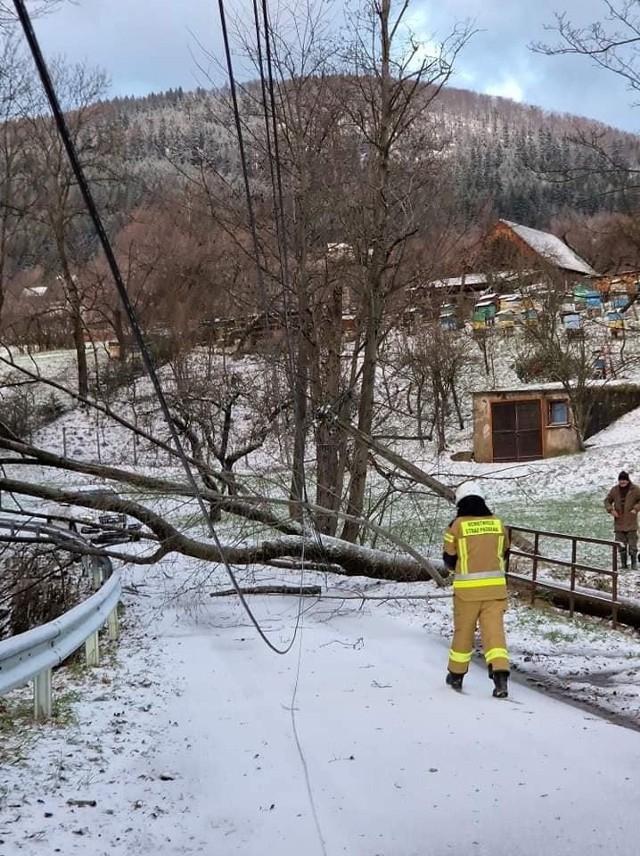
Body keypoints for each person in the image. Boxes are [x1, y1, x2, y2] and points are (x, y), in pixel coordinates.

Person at [442, 480, 511, 698]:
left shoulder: (457, 525)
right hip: (496, 592)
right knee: (495, 635)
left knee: (464, 633)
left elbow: (449, 558)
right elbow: (505, 553)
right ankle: (500, 679)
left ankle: (456, 675)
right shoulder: (497, 524)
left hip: (467, 593)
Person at [604, 471, 640, 570]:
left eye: (624, 480)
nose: (622, 482)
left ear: (628, 480)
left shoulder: (635, 489)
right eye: (620, 480)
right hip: (619, 522)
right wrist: (611, 510)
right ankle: (623, 564)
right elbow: (607, 500)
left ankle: (633, 564)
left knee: (632, 545)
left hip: (631, 522)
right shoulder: (614, 490)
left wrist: (636, 508)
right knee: (621, 545)